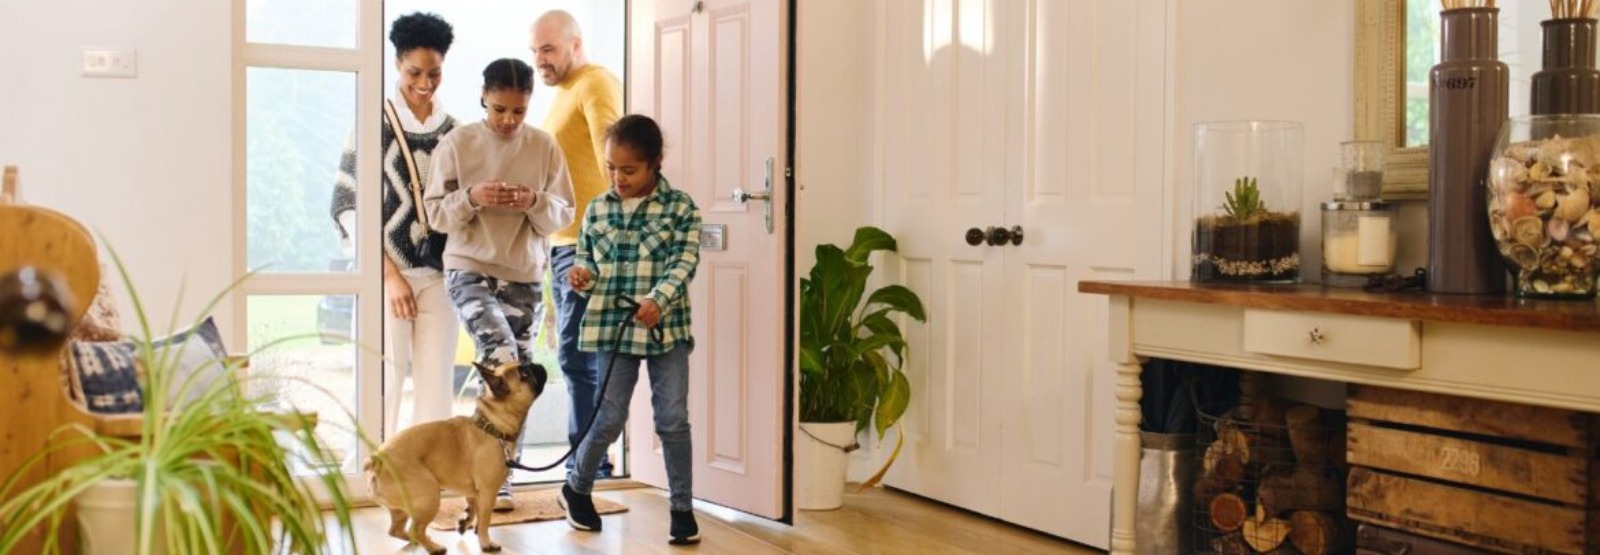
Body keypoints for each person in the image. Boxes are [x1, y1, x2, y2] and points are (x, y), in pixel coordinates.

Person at [423, 57, 575, 511]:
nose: (509, 120)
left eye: (518, 112)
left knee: (521, 376)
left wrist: (532, 200)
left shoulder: (544, 147)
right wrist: (471, 197)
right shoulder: (458, 143)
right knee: (504, 361)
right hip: (468, 266)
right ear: (484, 98)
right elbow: (434, 213)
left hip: (524, 274)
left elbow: (564, 213)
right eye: (499, 110)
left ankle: (497, 477)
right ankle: (482, 472)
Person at [560, 114, 702, 545]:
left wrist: (658, 299)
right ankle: (576, 487)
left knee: (673, 418)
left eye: (628, 170)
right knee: (610, 416)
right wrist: (581, 273)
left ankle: (682, 509)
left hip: (665, 327)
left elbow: (684, 261)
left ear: (654, 163)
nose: (617, 178)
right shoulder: (599, 208)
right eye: (611, 168)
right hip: (612, 326)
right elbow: (586, 257)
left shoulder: (681, 208)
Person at [329, 12, 459, 435]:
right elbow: (347, 203)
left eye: (434, 73)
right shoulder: (373, 124)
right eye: (414, 72)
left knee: (437, 390)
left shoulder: (455, 132)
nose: (425, 83)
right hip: (386, 276)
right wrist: (388, 275)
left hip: (439, 278)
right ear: (397, 64)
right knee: (380, 386)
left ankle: (430, 479)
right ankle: (375, 478)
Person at [530, 9, 624, 479]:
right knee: (575, 354)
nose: (539, 60)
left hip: (587, 243)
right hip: (562, 243)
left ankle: (590, 463)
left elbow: (615, 159)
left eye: (547, 49)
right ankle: (588, 460)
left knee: (577, 353)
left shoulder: (595, 83)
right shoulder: (563, 93)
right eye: (535, 51)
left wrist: (604, 238)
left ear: (575, 43)